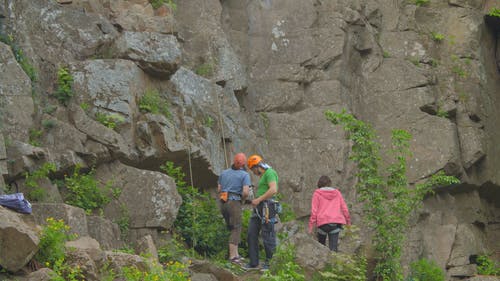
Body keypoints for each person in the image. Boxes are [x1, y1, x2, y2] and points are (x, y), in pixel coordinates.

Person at [245, 154, 279, 270]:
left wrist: (259, 199)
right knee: (251, 233)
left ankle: (270, 263)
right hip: (259, 206)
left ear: (257, 166)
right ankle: (253, 262)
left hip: (267, 206)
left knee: (267, 234)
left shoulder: (270, 173)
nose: (253, 172)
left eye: (253, 169)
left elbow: (273, 189)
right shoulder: (264, 175)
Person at [218, 153, 251, 265]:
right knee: (236, 227)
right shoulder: (244, 175)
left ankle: (236, 254)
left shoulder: (223, 173)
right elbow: (246, 192)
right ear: (243, 164)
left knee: (231, 227)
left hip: (223, 202)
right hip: (234, 202)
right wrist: (242, 199)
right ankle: (233, 257)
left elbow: (219, 189)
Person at [308, 175, 351, 252]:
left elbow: (314, 212)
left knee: (321, 248)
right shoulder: (337, 193)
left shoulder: (317, 194)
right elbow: (345, 209)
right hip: (334, 224)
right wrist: (348, 222)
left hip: (322, 224)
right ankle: (334, 263)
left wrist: (311, 227)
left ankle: (322, 261)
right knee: (333, 250)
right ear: (329, 183)